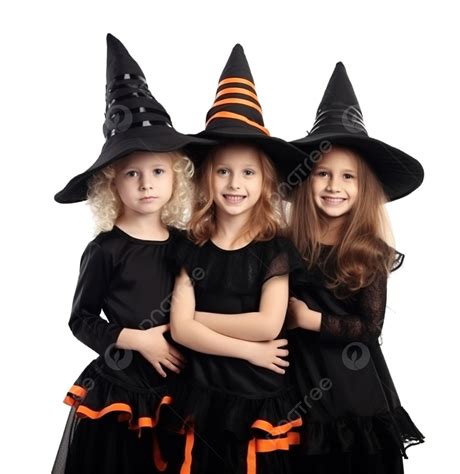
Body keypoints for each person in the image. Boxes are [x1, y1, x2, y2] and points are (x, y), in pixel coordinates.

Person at [52, 34, 213, 474]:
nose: (146, 184)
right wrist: (137, 339)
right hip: (120, 390)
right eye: (132, 174)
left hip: (180, 386)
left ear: (176, 177)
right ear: (111, 184)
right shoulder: (105, 250)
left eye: (158, 171)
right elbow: (81, 319)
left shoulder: (187, 242)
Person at [166, 44, 309, 474]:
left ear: (264, 182)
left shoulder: (275, 249)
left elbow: (268, 323)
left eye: (248, 172)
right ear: (206, 177)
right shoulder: (189, 245)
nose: (234, 183)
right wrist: (248, 351)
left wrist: (195, 321)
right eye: (223, 170)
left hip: (260, 395)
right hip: (204, 391)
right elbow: (179, 330)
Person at [286, 62, 425, 474]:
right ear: (305, 181)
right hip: (297, 384)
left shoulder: (369, 252)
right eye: (323, 174)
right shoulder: (286, 249)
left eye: (348, 177)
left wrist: (309, 319)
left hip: (354, 392)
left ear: (363, 189)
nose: (334, 186)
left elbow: (370, 327)